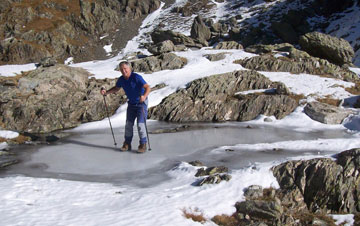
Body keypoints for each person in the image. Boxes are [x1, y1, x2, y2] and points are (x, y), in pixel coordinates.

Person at [101, 61, 151, 153]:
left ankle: (143, 144)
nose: (124, 71)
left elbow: (148, 87)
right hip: (131, 104)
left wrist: (144, 96)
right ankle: (127, 143)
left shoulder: (136, 77)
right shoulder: (121, 79)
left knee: (140, 124)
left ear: (129, 69)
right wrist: (106, 93)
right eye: (121, 69)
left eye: (125, 69)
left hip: (141, 104)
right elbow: (116, 88)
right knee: (128, 124)